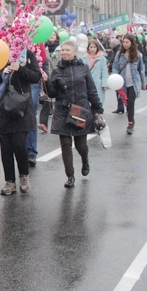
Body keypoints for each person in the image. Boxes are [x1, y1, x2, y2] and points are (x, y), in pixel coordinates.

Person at [46, 40, 104, 188]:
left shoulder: (83, 68)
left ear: (75, 52)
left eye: (67, 50)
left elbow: (91, 90)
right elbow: (52, 94)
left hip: (79, 110)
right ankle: (70, 176)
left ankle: (85, 160)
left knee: (80, 144)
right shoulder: (57, 70)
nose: (64, 53)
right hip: (62, 110)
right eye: (62, 50)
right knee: (65, 144)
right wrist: (46, 82)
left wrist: (98, 110)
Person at [0, 49, 41, 195]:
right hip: (3, 109)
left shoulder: (27, 54)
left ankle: (24, 176)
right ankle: (9, 182)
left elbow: (36, 76)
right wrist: (1, 74)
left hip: (21, 107)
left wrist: (20, 69)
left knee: (19, 143)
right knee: (5, 147)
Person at [111, 34, 146, 135]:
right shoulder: (119, 54)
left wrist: (143, 83)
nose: (125, 44)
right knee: (126, 103)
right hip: (122, 84)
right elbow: (115, 67)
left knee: (131, 103)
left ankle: (130, 123)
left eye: (127, 42)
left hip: (133, 84)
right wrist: (114, 77)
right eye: (124, 42)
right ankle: (130, 118)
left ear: (132, 43)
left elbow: (141, 70)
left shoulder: (137, 55)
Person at [38, 29, 60, 131]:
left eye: (54, 34)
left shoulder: (61, 48)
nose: (52, 36)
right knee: (45, 100)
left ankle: (59, 124)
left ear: (57, 36)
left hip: (56, 77)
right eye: (50, 34)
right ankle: (43, 123)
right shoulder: (42, 48)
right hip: (46, 77)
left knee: (57, 102)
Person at [83, 40, 109, 106]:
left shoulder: (102, 58)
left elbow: (104, 71)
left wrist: (104, 84)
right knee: (87, 102)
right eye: (91, 47)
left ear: (97, 48)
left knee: (98, 101)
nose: (93, 49)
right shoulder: (84, 58)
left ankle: (97, 114)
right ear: (88, 48)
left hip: (97, 83)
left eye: (94, 47)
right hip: (87, 83)